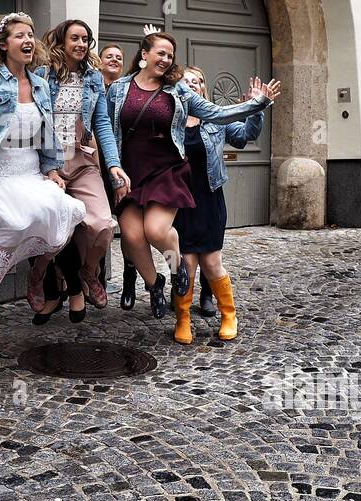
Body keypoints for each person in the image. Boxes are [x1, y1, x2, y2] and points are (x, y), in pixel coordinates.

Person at [106, 28, 277, 320]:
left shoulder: (178, 92)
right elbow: (109, 132)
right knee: (132, 238)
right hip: (131, 173)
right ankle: (155, 285)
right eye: (160, 53)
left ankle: (177, 271)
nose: (165, 59)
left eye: (170, 56)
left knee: (157, 232)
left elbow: (220, 115)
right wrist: (113, 171)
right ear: (143, 54)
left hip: (166, 172)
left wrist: (258, 103)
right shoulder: (119, 89)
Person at [0, 13, 86, 327]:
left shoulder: (41, 85)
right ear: (3, 44)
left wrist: (53, 170)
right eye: (20, 35)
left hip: (31, 171)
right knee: (14, 220)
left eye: (31, 35)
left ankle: (38, 273)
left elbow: (48, 134)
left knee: (65, 217)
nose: (28, 40)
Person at [31, 20, 131, 322]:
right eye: (75, 38)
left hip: (83, 160)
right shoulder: (41, 75)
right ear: (61, 41)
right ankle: (42, 278)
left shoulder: (93, 78)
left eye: (86, 39)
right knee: (55, 231)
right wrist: (47, 166)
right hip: (47, 162)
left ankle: (89, 274)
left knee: (102, 224)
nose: (81, 44)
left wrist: (113, 164)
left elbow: (101, 123)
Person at [172, 67, 273, 344]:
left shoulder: (216, 119)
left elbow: (245, 136)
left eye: (197, 81)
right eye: (185, 81)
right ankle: (182, 318)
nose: (191, 85)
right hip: (179, 201)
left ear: (203, 89)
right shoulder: (172, 119)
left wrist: (255, 108)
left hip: (210, 198)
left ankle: (229, 315)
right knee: (184, 263)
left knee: (212, 262)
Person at [96, 43, 138, 311]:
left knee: (128, 226)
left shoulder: (127, 88)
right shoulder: (92, 86)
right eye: (109, 56)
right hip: (94, 165)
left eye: (119, 57)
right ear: (99, 61)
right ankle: (96, 278)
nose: (114, 59)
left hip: (123, 164)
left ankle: (129, 278)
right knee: (98, 225)